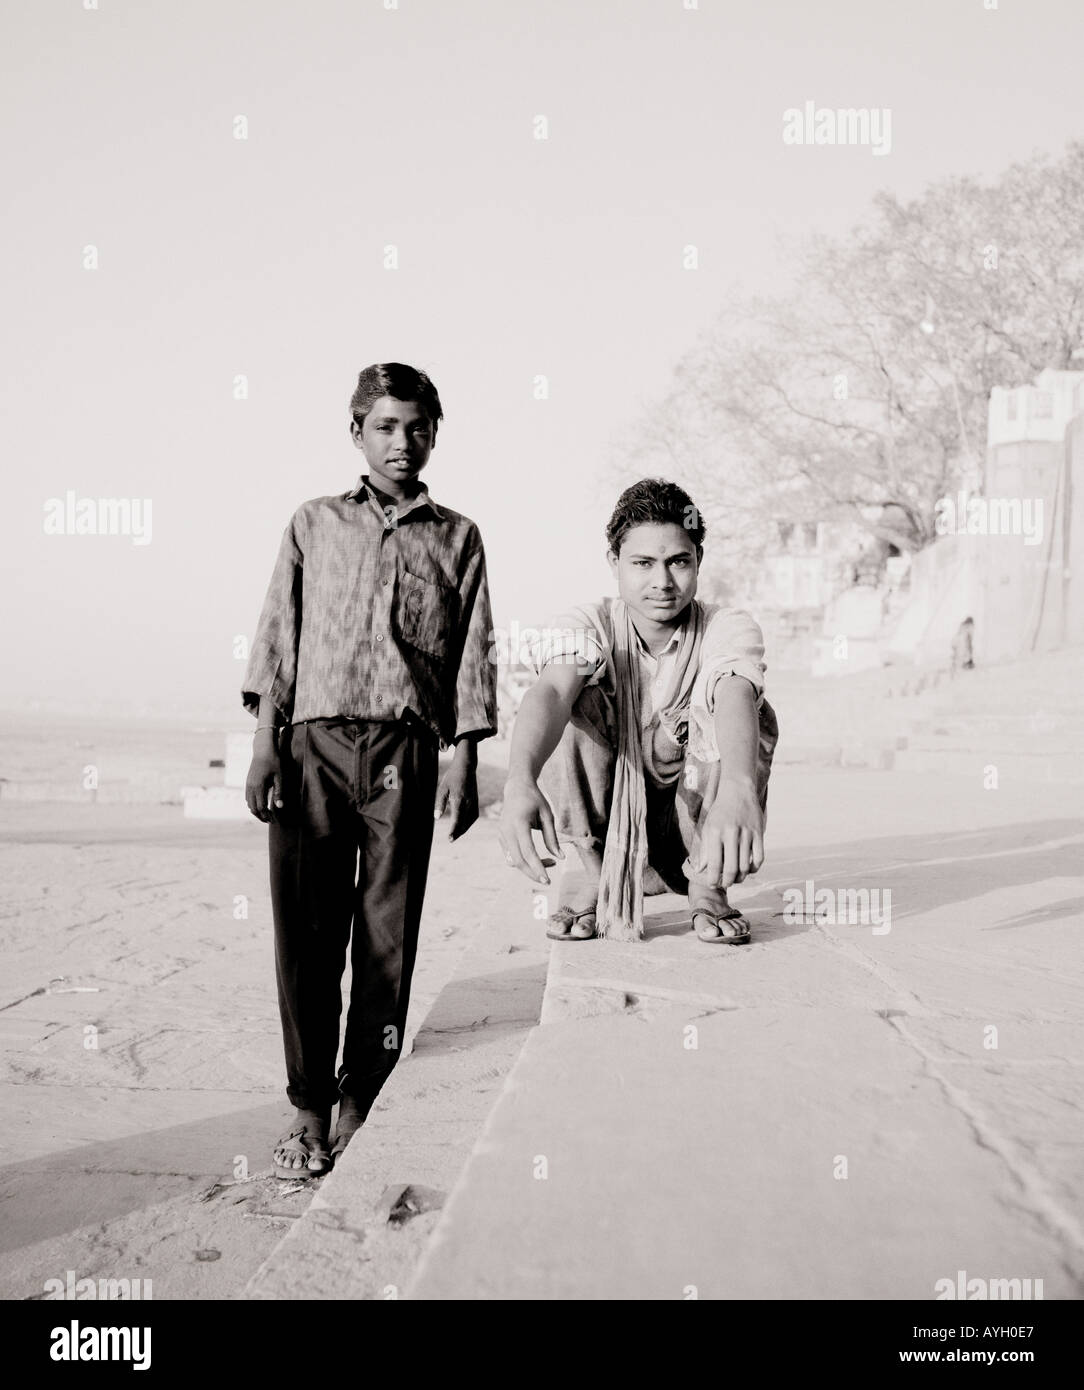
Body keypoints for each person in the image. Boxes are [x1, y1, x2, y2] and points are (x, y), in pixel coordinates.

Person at [242, 363, 497, 1179]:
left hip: (405, 752)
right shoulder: (314, 524)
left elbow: (471, 653)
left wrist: (466, 755)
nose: (403, 442)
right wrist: (263, 743)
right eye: (386, 426)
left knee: (387, 932)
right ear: (356, 430)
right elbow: (279, 634)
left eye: (418, 427)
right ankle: (307, 1104)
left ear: (434, 435)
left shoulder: (457, 537)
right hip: (312, 746)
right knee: (307, 937)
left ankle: (362, 1097)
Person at [498, 479, 777, 944]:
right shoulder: (588, 624)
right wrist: (518, 779)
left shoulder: (725, 627)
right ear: (614, 563)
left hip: (692, 835)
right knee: (574, 699)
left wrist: (740, 788)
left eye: (678, 562)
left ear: (698, 561)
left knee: (749, 708)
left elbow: (733, 689)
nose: (662, 582)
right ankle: (589, 871)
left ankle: (708, 886)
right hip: (612, 838)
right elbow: (549, 691)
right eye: (643, 563)